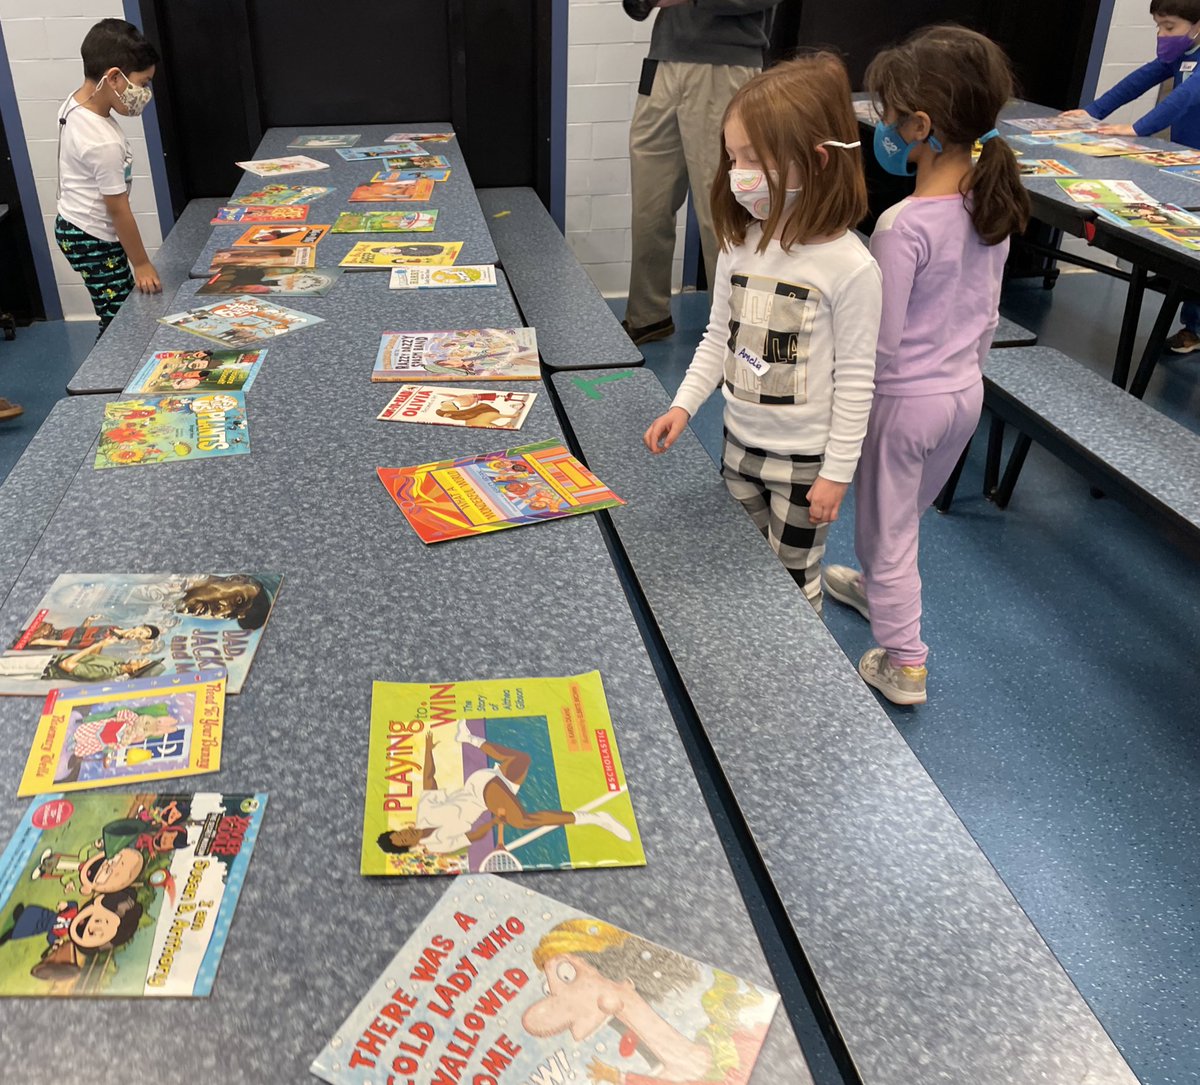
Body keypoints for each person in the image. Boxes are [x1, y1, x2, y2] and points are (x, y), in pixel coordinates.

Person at [823, 26, 1030, 706]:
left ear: (920, 125)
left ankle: (906, 658)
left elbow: (880, 347)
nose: (878, 125)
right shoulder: (990, 201)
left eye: (885, 113)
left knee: (889, 529)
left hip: (905, 402)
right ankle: (878, 583)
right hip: (964, 394)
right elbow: (986, 313)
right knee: (901, 516)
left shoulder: (903, 225)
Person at [643, 55, 881, 614]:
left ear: (815, 160)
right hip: (738, 445)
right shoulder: (739, 243)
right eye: (732, 156)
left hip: (805, 464)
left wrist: (837, 474)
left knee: (795, 588)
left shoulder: (850, 267)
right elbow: (717, 338)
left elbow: (855, 382)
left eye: (752, 157)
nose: (737, 171)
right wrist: (683, 405)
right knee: (744, 569)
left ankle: (798, 682)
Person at [621, 0, 779, 346]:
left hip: (724, 64)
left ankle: (734, 335)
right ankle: (648, 315)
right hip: (663, 60)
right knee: (650, 201)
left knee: (721, 208)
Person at [1060, 0, 1200, 353]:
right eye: (1158, 26)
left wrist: (1137, 127)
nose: (1161, 35)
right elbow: (1139, 80)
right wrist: (1093, 112)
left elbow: (1183, 99)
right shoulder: (1184, 54)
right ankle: (1181, 290)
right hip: (1185, 163)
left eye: (1169, 27)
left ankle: (1195, 327)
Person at [375, 722, 632, 862]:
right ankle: (469, 738)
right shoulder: (439, 845)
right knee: (521, 759)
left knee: (521, 821)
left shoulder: (425, 811)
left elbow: (429, 779)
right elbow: (473, 835)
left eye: (400, 833)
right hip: (488, 801)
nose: (405, 834)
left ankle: (598, 818)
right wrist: (494, 823)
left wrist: (429, 749)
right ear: (408, 847)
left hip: (478, 788)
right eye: (402, 840)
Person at [56, 18, 161, 337]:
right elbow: (118, 210)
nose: (145, 93)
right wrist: (141, 263)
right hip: (91, 236)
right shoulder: (102, 142)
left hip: (74, 223)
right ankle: (110, 377)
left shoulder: (77, 104)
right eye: (142, 83)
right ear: (113, 78)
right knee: (119, 319)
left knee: (117, 305)